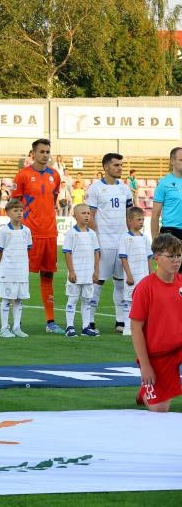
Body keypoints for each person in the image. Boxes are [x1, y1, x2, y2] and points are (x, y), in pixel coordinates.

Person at [11, 139, 63, 335]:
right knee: (20, 276)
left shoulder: (54, 175)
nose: (45, 155)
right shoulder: (23, 175)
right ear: (33, 154)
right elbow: (15, 203)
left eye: (48, 151)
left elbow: (53, 199)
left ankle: (50, 322)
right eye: (41, 151)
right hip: (29, 234)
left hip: (50, 232)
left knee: (47, 276)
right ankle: (17, 322)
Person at [129, 233, 182, 412]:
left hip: (179, 347)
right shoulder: (145, 288)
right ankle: (146, 389)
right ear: (156, 258)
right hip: (158, 355)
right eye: (171, 256)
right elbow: (136, 328)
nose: (176, 260)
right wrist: (145, 366)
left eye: (179, 255)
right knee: (160, 411)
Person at [86, 153, 133, 334]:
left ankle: (120, 321)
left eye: (121, 165)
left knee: (121, 283)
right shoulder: (95, 189)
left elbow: (130, 214)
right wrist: (96, 240)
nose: (120, 168)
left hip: (121, 242)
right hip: (103, 242)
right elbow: (91, 217)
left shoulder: (125, 189)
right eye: (116, 165)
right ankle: (89, 320)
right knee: (98, 281)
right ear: (106, 167)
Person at [62, 204, 101, 338]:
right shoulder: (71, 234)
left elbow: (96, 253)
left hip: (88, 274)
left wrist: (96, 271)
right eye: (83, 213)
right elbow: (67, 254)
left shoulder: (92, 234)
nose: (87, 216)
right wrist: (71, 272)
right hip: (76, 274)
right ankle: (70, 327)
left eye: (88, 213)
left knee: (87, 301)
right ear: (75, 216)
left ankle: (85, 327)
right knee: (72, 300)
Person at [0, 199, 32, 338]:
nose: (19, 213)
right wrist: (4, 265)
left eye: (21, 210)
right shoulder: (4, 231)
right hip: (8, 271)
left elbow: (27, 249)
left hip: (22, 271)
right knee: (6, 299)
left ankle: (17, 327)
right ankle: (4, 328)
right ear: (8, 213)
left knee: (18, 299)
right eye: (15, 210)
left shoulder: (26, 231)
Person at [118, 207, 153, 337]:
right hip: (131, 276)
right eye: (138, 219)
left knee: (143, 302)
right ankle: (128, 327)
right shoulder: (125, 238)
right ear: (130, 221)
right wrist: (129, 275)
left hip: (144, 277)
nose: (141, 222)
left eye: (143, 220)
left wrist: (150, 274)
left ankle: (143, 328)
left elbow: (149, 258)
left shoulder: (145, 238)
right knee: (129, 300)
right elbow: (123, 257)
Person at [151, 147, 182, 273]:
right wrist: (155, 241)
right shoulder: (164, 183)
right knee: (172, 275)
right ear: (172, 161)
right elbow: (155, 214)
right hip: (171, 232)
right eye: (181, 159)